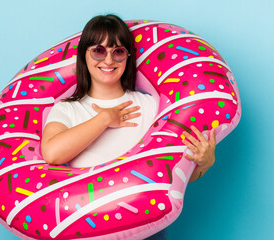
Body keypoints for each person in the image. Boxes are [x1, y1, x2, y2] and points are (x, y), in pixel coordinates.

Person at [41, 14, 216, 240]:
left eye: (118, 51)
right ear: (84, 55)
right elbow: (53, 154)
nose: (108, 60)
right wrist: (103, 119)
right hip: (89, 228)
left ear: (128, 57)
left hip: (146, 229)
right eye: (98, 51)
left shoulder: (152, 107)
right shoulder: (67, 110)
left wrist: (205, 164)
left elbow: (168, 177)